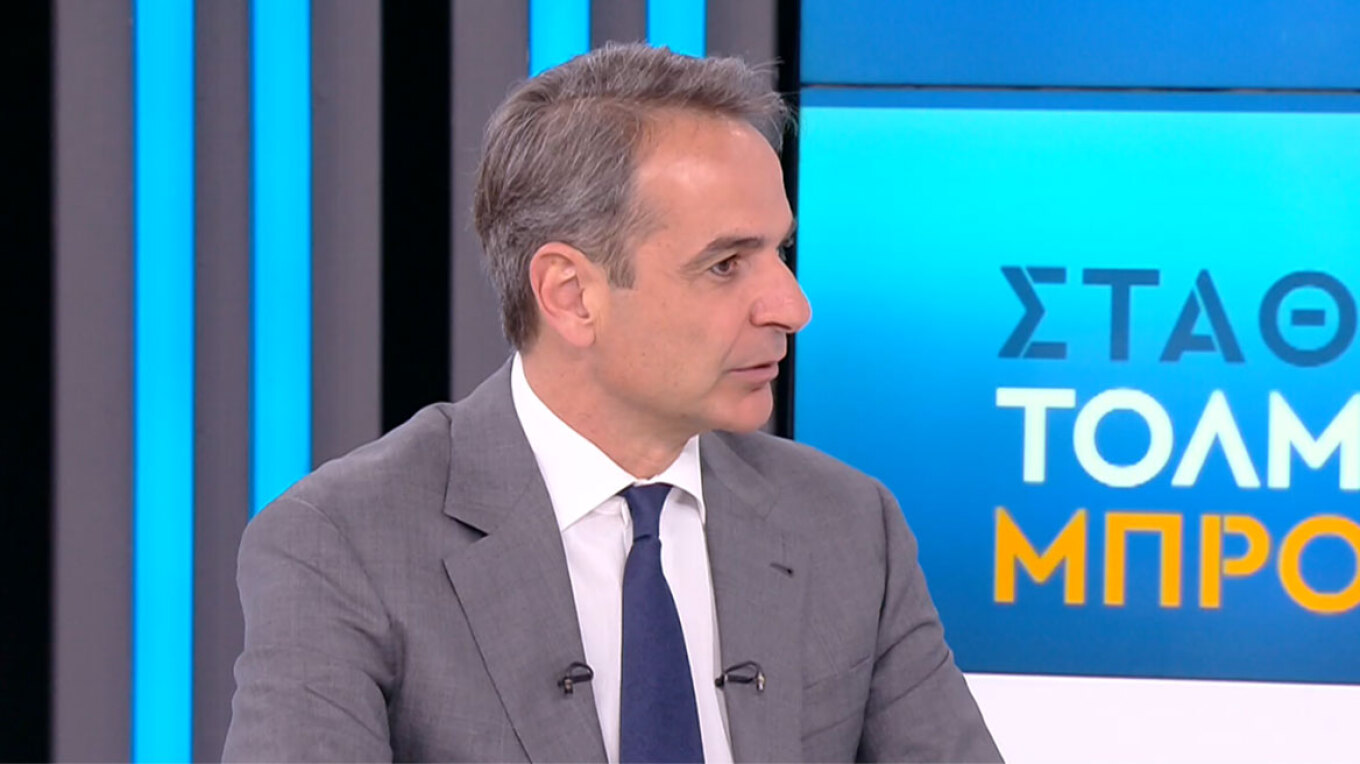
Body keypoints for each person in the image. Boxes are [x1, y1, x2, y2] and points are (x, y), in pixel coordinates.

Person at [223, 43, 1000, 763]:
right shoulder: (345, 543)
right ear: (571, 295)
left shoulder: (848, 526)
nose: (791, 307)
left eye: (780, 252)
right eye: (727, 264)